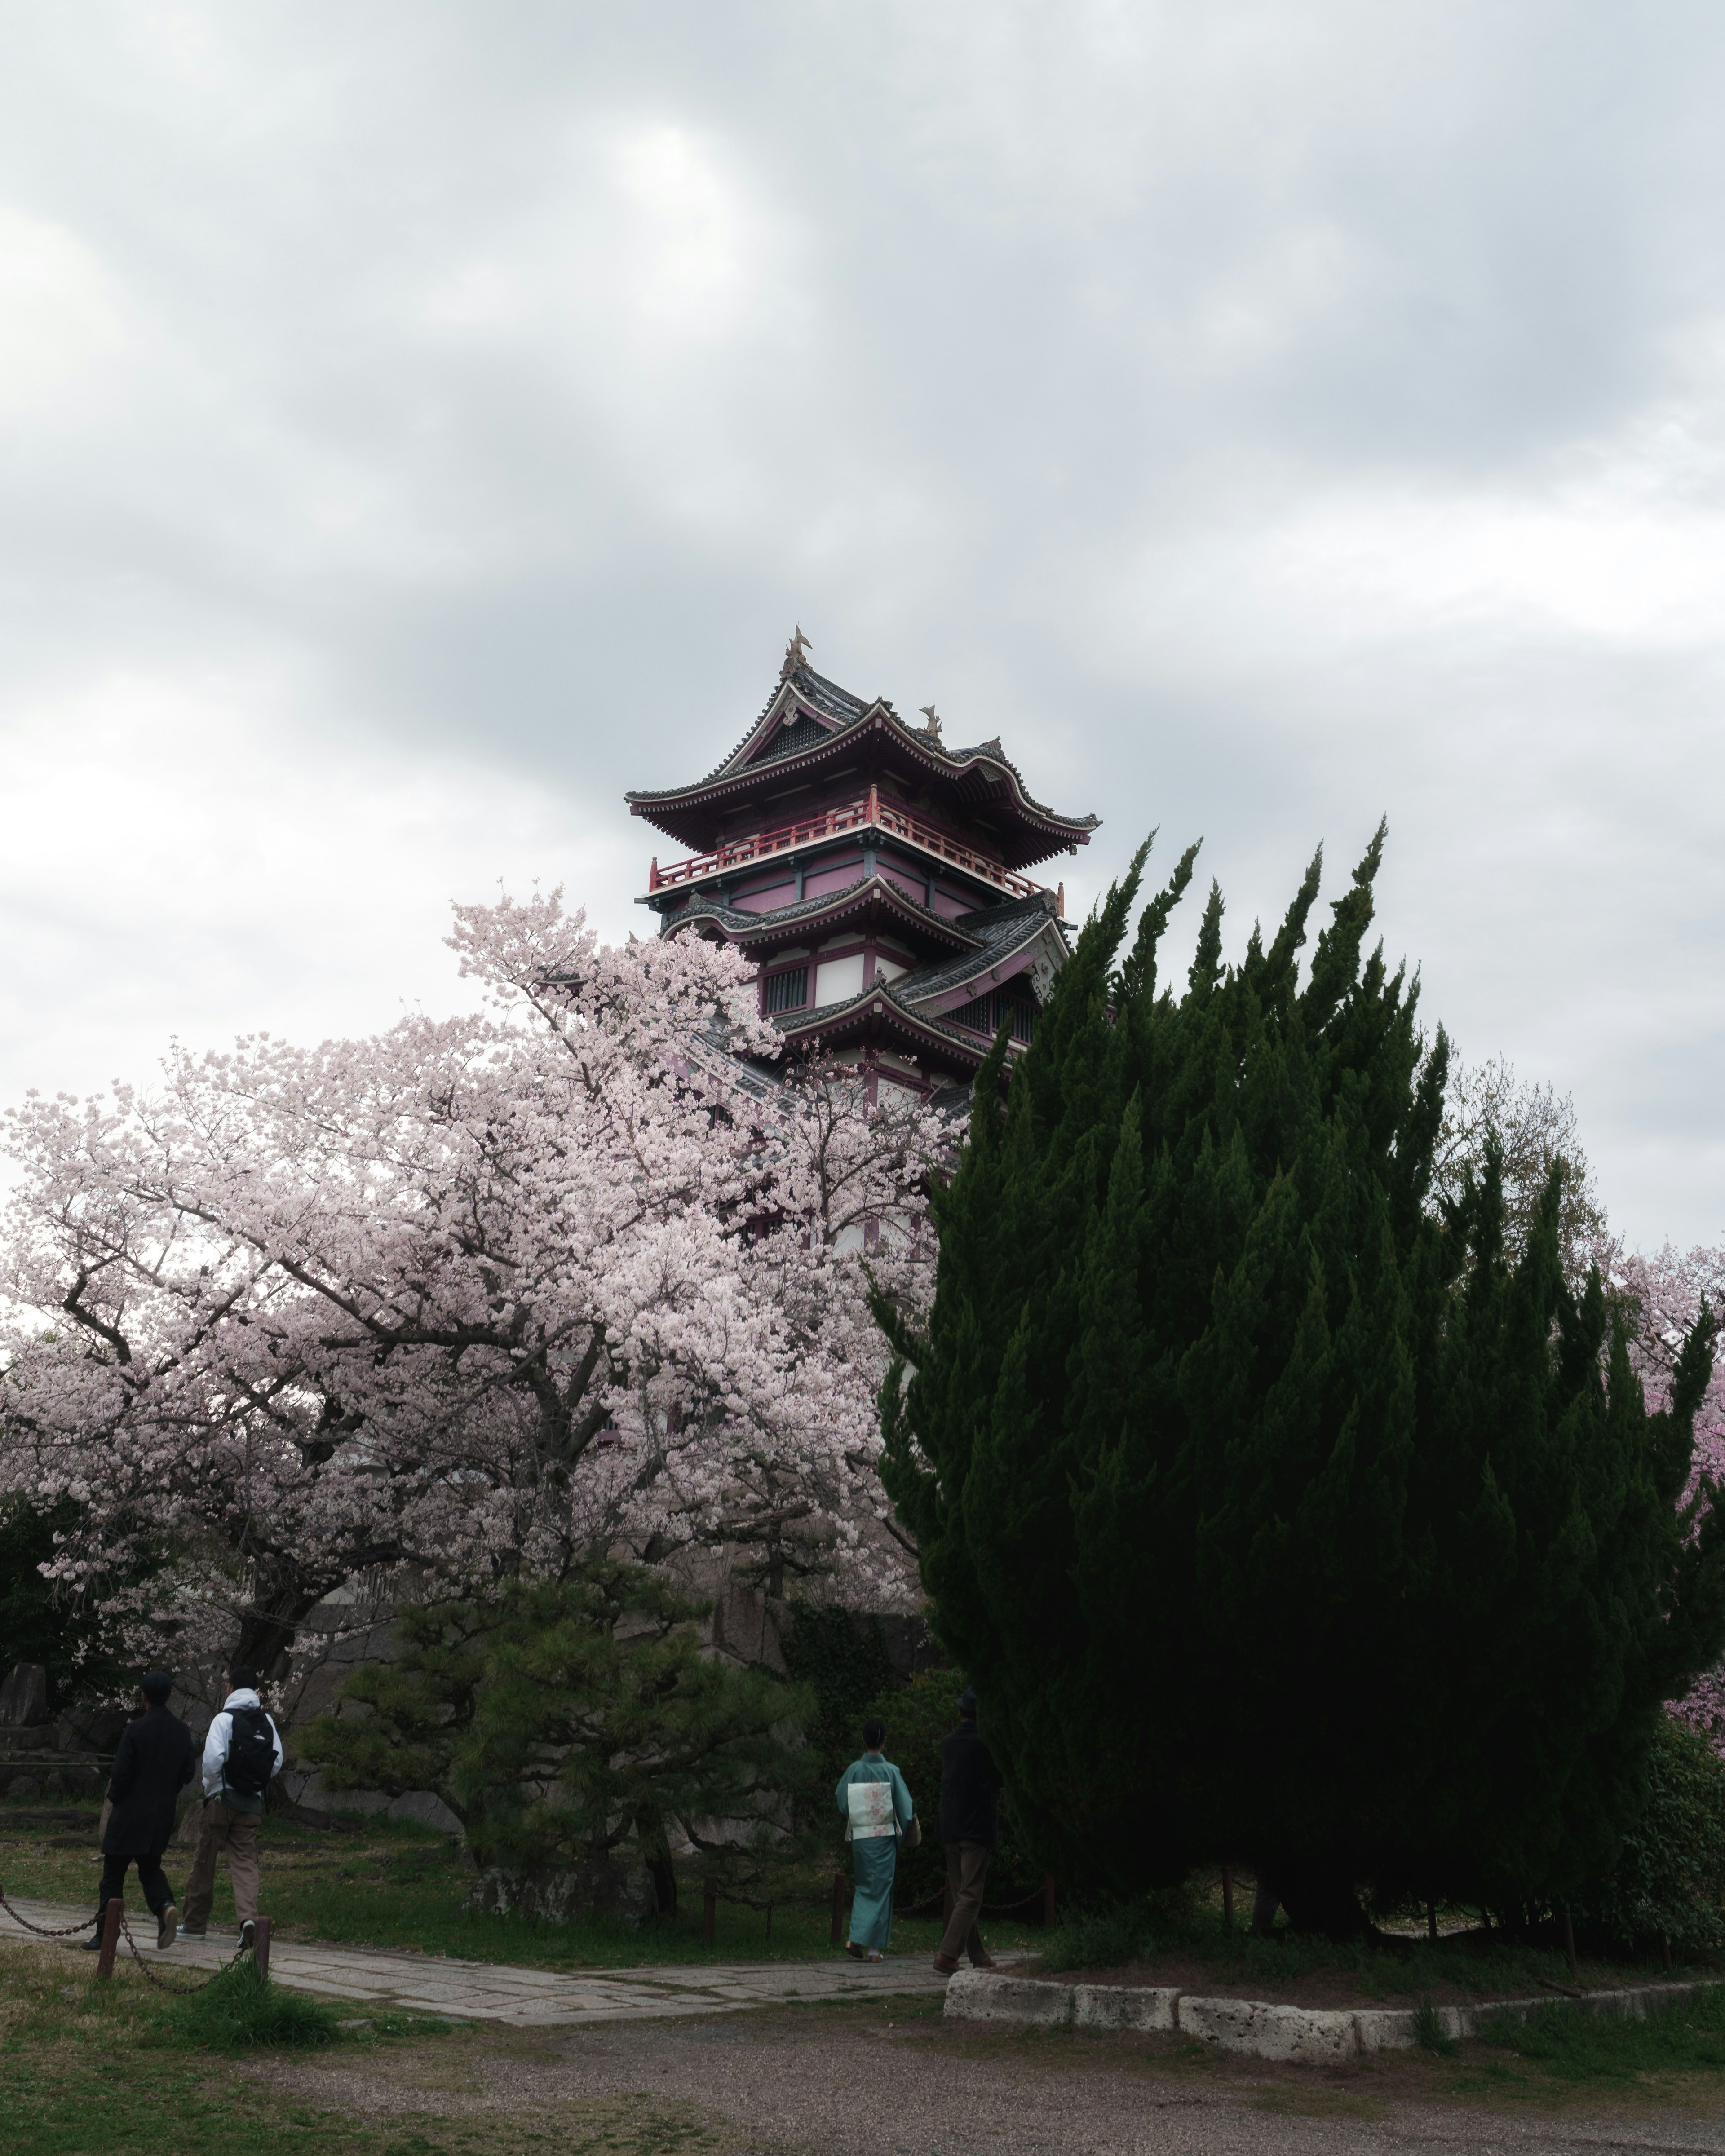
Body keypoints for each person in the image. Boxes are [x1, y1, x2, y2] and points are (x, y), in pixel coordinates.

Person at [86, 1670, 195, 1951]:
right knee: (150, 1868)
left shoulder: (135, 1730)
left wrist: (116, 1798)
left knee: (113, 1874)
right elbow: (188, 1772)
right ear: (171, 1695)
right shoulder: (182, 1731)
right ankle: (166, 1907)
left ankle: (104, 1934)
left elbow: (120, 1774)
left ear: (143, 1696)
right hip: (162, 1814)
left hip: (129, 1813)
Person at [181, 1665, 284, 1948]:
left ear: (230, 1688)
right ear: (255, 1690)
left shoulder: (223, 1719)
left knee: (205, 1861)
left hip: (221, 1800)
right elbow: (276, 1763)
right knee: (246, 1862)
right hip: (251, 1803)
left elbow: (213, 1760)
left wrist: (210, 1785)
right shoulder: (267, 1722)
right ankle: (248, 1920)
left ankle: (194, 1925)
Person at [933, 1687, 1001, 1976]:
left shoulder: (948, 1743)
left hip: (950, 1825)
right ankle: (947, 1955)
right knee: (971, 1896)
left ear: (960, 1712)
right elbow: (999, 1780)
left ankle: (977, 1954)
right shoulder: (988, 1744)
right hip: (976, 1827)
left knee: (963, 1894)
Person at [835, 1716, 914, 1962]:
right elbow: (906, 1811)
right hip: (884, 1838)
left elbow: (841, 1799)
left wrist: (858, 1818)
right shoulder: (891, 1771)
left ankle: (854, 1937)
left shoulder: (854, 1770)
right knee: (881, 1891)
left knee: (864, 1887)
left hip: (861, 1838)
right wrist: (898, 1839)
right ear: (885, 1742)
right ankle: (874, 1951)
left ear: (863, 1740)